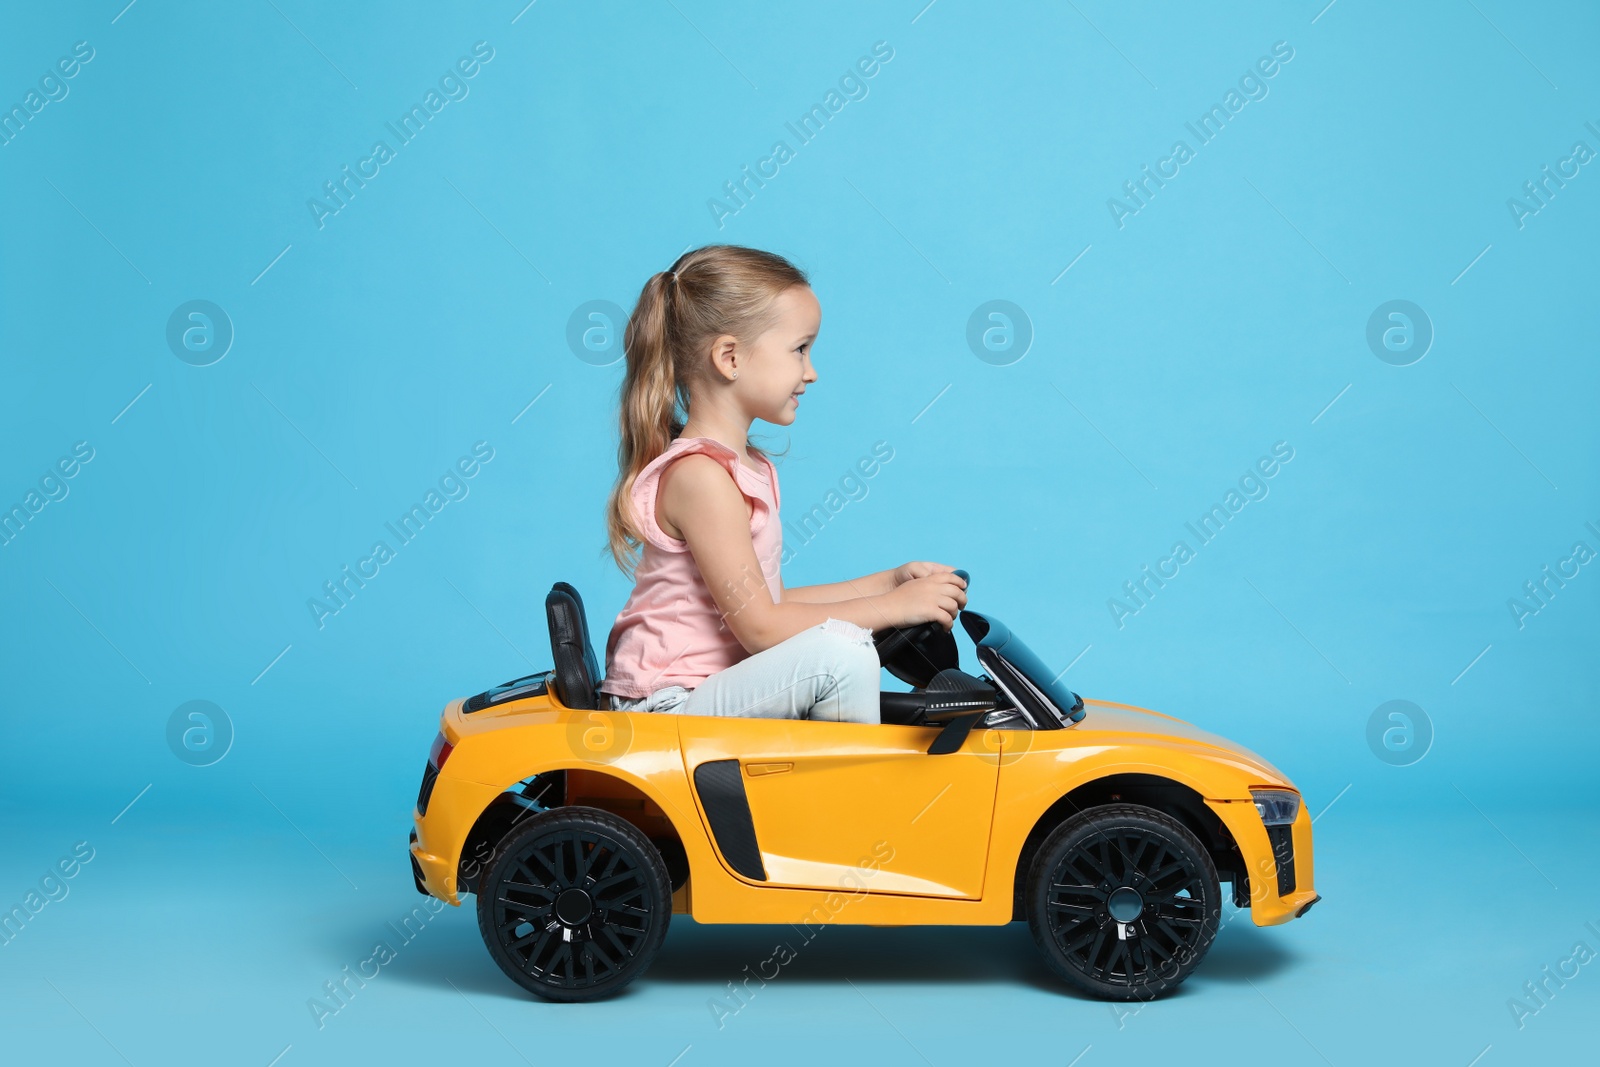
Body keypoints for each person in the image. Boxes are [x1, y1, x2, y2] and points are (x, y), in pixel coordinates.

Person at [598, 244, 967, 723]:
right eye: (800, 349)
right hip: (666, 704)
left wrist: (888, 584)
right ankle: (847, 796)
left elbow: (770, 604)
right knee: (841, 654)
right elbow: (762, 629)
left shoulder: (740, 467)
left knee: (839, 644)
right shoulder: (700, 478)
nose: (811, 372)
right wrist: (893, 607)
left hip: (705, 692)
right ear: (730, 357)